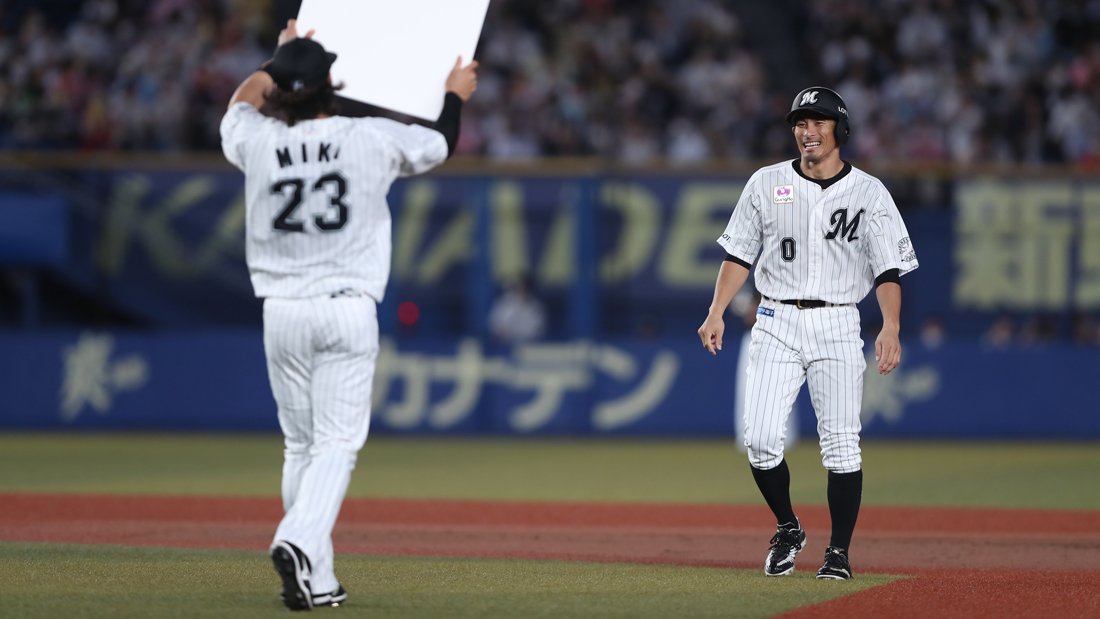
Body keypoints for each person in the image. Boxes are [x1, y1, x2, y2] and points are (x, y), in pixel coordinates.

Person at [220, 20, 478, 610]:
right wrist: (452, 96)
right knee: (336, 443)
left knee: (300, 445)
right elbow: (439, 143)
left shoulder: (256, 139)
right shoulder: (368, 136)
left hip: (280, 311)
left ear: (283, 88)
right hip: (345, 308)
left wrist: (277, 60)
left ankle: (317, 577)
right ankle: (296, 541)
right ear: (331, 84)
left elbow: (239, 103)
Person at [696, 86, 918, 580]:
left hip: (839, 320)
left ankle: (838, 551)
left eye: (818, 121)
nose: (807, 130)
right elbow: (738, 256)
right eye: (800, 122)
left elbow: (888, 272)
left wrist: (891, 325)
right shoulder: (765, 182)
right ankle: (788, 526)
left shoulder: (869, 191)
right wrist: (716, 311)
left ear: (839, 129)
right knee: (758, 439)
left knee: (841, 443)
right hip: (775, 318)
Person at [488, 272, 546, 344]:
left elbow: (537, 331)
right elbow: (494, 324)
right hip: (504, 345)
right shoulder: (505, 301)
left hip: (528, 346)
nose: (520, 290)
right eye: (518, 287)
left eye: (523, 288)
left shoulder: (536, 308)